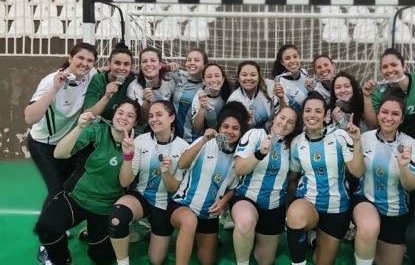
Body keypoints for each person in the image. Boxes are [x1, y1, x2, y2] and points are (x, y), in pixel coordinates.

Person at [35, 98, 141, 265]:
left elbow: (124, 182)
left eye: (130, 116)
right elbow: (59, 154)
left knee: (102, 258)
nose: (123, 118)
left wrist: (128, 155)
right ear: (113, 115)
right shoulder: (96, 131)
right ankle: (61, 259)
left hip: (105, 206)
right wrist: (79, 128)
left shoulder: (137, 144)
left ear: (135, 122)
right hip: (76, 197)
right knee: (47, 227)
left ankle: (91, 234)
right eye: (120, 113)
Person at [24, 42, 98, 263]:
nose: (85, 63)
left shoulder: (91, 74)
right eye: (80, 59)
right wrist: (54, 88)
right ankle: (48, 242)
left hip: (68, 144)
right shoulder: (50, 81)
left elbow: (107, 70)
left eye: (90, 60)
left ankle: (61, 225)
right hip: (43, 144)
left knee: (70, 188)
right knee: (57, 191)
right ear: (70, 57)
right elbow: (30, 117)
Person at [286, 91, 364, 265]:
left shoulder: (340, 136)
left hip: (336, 208)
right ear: (302, 114)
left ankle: (312, 239)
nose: (312, 115)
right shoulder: (296, 142)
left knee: (321, 261)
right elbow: (293, 174)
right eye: (307, 110)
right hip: (308, 202)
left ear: (326, 115)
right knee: (295, 215)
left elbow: (357, 172)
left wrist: (357, 142)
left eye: (317, 111)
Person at [108, 100, 189, 265]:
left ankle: (153, 230)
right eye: (151, 116)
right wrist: (128, 156)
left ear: (171, 117)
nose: (153, 119)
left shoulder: (183, 147)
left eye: (159, 114)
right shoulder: (140, 141)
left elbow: (174, 188)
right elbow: (125, 182)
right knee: (117, 218)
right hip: (141, 196)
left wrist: (165, 173)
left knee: (156, 260)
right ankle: (123, 262)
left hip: (164, 203)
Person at [168, 101, 249, 265]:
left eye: (235, 128)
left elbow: (232, 188)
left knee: (207, 261)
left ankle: (195, 236)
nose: (229, 131)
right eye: (225, 126)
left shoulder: (239, 156)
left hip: (209, 214)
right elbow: (182, 164)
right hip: (183, 205)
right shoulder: (206, 142)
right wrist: (203, 140)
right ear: (219, 127)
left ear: (241, 132)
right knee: (189, 221)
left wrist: (223, 202)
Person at [350, 93, 415, 265]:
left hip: (396, 210)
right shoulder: (365, 138)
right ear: (378, 114)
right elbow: (357, 173)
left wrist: (404, 166)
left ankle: (365, 242)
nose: (388, 117)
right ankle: (363, 234)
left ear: (402, 119)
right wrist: (357, 143)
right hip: (366, 199)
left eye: (395, 114)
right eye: (384, 112)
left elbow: (411, 187)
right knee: (368, 228)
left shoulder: (411, 145)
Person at [231, 106, 302, 265]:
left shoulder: (291, 146)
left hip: (274, 206)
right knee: (245, 222)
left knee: (266, 260)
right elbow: (238, 168)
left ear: (293, 128)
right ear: (275, 116)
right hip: (246, 198)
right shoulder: (255, 134)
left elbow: (292, 176)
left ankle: (252, 234)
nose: (284, 124)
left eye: (290, 122)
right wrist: (260, 153)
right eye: (282, 118)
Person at [363, 48, 415, 139]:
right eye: (385, 67)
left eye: (394, 65)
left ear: (403, 67)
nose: (389, 69)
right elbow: (374, 124)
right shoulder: (377, 92)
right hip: (394, 140)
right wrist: (367, 96)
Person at [126, 47, 176, 132]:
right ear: (140, 65)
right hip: (143, 132)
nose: (148, 64)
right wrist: (146, 103)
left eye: (153, 60)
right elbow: (140, 121)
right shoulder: (133, 87)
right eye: (144, 61)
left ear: (160, 64)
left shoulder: (170, 82)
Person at [84, 46, 135, 120]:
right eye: (117, 63)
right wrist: (106, 97)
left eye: (126, 64)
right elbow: (86, 115)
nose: (121, 68)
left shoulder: (131, 81)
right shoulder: (98, 80)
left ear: (131, 67)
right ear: (109, 63)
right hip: (99, 126)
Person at [227, 61, 277, 130]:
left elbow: (282, 111)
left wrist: (281, 97)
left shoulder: (270, 86)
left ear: (259, 77)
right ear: (238, 78)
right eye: (244, 75)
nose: (248, 78)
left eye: (253, 75)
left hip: (273, 132)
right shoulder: (233, 100)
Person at [172, 48, 207, 142]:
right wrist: (169, 66)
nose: (191, 62)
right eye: (189, 60)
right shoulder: (180, 76)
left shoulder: (206, 87)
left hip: (193, 140)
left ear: (204, 65)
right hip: (173, 138)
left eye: (196, 60)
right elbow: (156, 70)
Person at [191, 63, 232, 134]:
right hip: (207, 137)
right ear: (203, 81)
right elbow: (196, 130)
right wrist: (202, 108)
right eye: (209, 76)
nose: (213, 80)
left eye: (217, 76)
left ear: (223, 79)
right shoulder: (200, 97)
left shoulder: (229, 95)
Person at [272, 44, 309, 112]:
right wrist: (281, 98)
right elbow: (282, 113)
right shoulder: (279, 83)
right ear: (282, 62)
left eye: (295, 56)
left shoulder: (304, 72)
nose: (292, 61)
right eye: (287, 58)